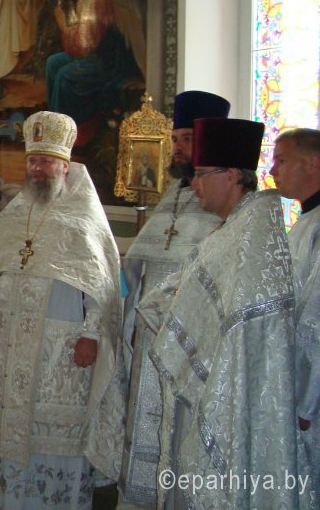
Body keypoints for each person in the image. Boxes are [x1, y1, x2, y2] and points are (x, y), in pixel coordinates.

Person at [0, 110, 126, 509]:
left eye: (45, 161)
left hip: (60, 345)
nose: (37, 169)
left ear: (65, 165)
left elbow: (100, 286)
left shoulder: (84, 218)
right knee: (9, 422)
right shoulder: (14, 214)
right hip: (10, 341)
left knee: (50, 430)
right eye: (32, 161)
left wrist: (91, 336)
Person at [139, 117, 301, 509]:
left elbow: (240, 330)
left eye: (202, 174)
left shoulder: (252, 238)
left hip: (226, 395)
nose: (194, 184)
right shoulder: (234, 229)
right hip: (207, 383)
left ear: (231, 176)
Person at [118, 90, 230, 508]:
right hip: (151, 333)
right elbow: (139, 266)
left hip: (189, 339)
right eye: (176, 139)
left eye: (187, 139)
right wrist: (128, 317)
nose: (178, 147)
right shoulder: (175, 194)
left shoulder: (222, 206)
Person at [271, 127, 320, 498]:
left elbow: (314, 323)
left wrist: (306, 401)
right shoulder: (306, 222)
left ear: (313, 163)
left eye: (281, 160)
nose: (273, 170)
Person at [45, 0, 139, 135]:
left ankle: (65, 131)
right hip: (92, 53)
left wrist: (63, 25)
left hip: (105, 59)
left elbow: (86, 45)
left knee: (63, 75)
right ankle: (54, 118)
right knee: (52, 62)